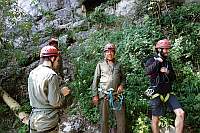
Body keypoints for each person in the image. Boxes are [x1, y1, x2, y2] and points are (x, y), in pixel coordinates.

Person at [144, 39, 184, 133]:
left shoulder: (167, 63)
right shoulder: (151, 60)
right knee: (155, 119)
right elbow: (148, 71)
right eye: (165, 49)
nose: (167, 51)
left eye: (167, 49)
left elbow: (174, 77)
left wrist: (167, 71)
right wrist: (158, 62)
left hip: (168, 93)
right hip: (156, 93)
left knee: (181, 113)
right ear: (159, 50)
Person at [28, 46, 70, 133]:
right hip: (47, 120)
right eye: (57, 61)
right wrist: (62, 93)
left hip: (33, 119)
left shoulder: (33, 73)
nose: (58, 64)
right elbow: (55, 102)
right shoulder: (51, 75)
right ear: (52, 58)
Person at [92, 43, 126, 133]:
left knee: (121, 120)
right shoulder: (100, 65)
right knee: (104, 120)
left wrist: (121, 85)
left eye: (111, 51)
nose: (109, 53)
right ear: (104, 53)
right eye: (107, 51)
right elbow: (95, 81)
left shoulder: (119, 65)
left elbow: (123, 79)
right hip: (104, 95)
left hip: (117, 95)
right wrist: (94, 95)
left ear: (114, 53)